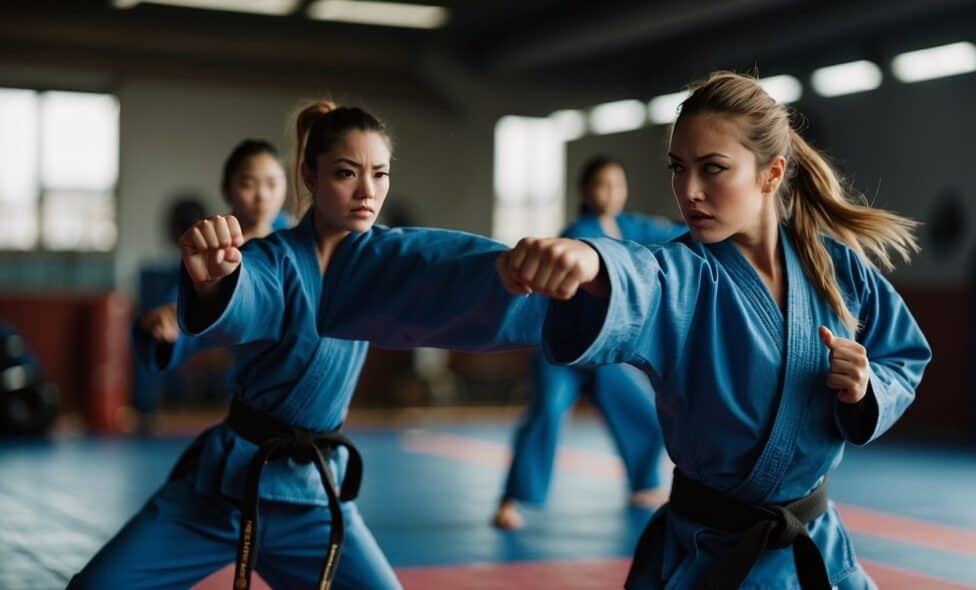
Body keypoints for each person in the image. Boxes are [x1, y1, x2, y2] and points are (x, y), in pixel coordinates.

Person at [70, 102, 545, 590]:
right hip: (228, 488)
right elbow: (247, 291)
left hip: (315, 502)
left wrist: (510, 269)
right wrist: (215, 285)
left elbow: (443, 264)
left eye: (380, 175)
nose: (367, 191)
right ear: (309, 176)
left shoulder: (383, 260)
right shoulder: (270, 258)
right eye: (346, 173)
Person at [495, 71, 931, 589]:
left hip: (817, 550)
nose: (689, 190)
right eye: (679, 169)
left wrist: (865, 387)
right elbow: (641, 274)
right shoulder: (685, 272)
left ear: (772, 174)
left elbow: (903, 357)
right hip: (710, 557)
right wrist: (591, 259)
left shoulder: (838, 268)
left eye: (713, 168)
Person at [493, 155, 684, 529]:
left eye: (618, 185)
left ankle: (644, 483)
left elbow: (674, 233)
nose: (611, 193)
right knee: (546, 412)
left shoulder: (631, 225)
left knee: (642, 410)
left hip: (602, 350)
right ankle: (512, 499)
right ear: (585, 190)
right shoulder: (576, 230)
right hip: (562, 350)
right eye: (602, 184)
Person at [134, 139, 292, 370]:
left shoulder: (297, 236)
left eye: (272, 184)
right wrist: (169, 318)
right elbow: (188, 301)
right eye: (248, 184)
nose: (262, 196)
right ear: (226, 190)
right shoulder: (215, 248)